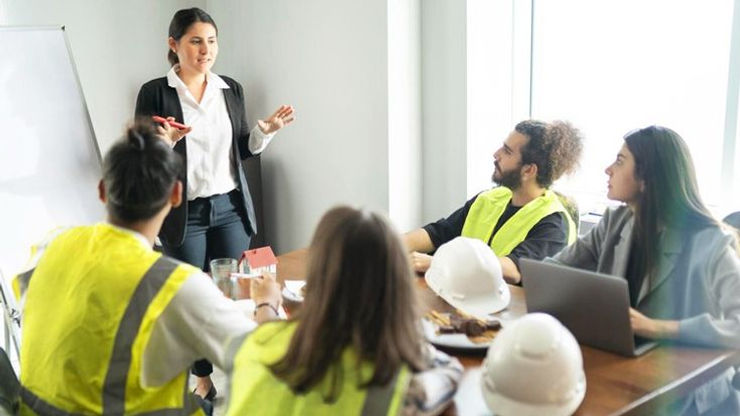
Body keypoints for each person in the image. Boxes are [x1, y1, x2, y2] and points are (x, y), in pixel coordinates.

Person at [14, 123, 282, 415]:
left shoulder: (52, 244)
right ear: (177, 195)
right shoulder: (173, 285)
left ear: (103, 190)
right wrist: (266, 301)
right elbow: (262, 356)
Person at [134, 7, 294, 398]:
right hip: (184, 214)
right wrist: (164, 143)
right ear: (174, 45)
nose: (206, 50)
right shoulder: (155, 92)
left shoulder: (230, 89)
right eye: (195, 41)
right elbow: (141, 154)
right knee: (191, 299)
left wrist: (264, 132)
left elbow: (242, 149)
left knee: (235, 294)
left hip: (229, 209)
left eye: (211, 41)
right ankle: (202, 377)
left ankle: (239, 369)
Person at [549, 126, 740, 415]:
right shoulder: (615, 222)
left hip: (691, 396)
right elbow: (554, 270)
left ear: (647, 178)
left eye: (620, 161)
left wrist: (656, 327)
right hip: (625, 369)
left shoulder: (711, 242)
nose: (607, 169)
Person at [225, 206, 464, 416]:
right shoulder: (399, 389)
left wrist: (265, 304)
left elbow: (267, 334)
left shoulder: (249, 346)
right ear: (397, 287)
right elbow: (451, 372)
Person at [404, 120, 583, 284]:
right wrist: (390, 245)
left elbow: (513, 270)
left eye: (507, 151)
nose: (496, 154)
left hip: (511, 313)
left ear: (529, 170)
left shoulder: (554, 224)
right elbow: (438, 233)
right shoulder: (490, 199)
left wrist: (439, 263)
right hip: (469, 300)